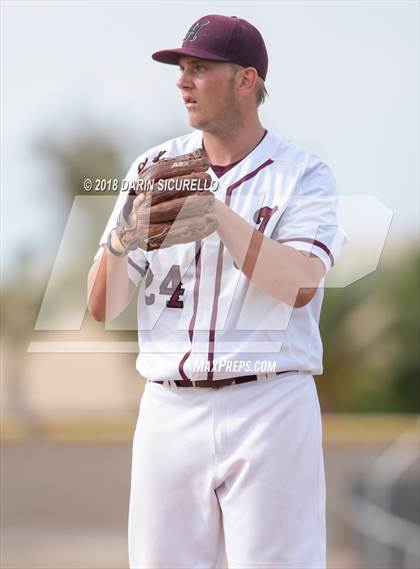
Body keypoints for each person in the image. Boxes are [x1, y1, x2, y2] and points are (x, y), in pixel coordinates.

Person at [87, 14, 346, 569]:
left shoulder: (303, 174)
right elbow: (103, 306)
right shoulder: (153, 168)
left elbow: (298, 284)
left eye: (200, 69)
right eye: (182, 69)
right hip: (168, 407)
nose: (183, 81)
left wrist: (213, 211)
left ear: (246, 80)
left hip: (269, 404)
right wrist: (124, 234)